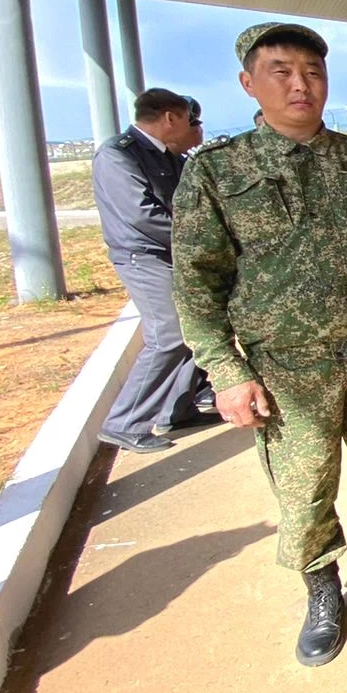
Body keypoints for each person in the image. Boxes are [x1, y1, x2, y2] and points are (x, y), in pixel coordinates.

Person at [172, 21, 347, 668]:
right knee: (304, 486)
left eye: (313, 71)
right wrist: (225, 371)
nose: (301, 84)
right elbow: (195, 282)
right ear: (249, 83)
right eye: (282, 71)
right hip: (290, 370)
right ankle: (322, 591)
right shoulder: (219, 171)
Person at [93, 88, 213, 453]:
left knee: (196, 329)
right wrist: (199, 241)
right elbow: (143, 215)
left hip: (173, 255)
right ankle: (125, 422)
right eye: (188, 120)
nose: (191, 128)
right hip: (145, 257)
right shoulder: (117, 156)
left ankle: (177, 410)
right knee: (169, 335)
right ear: (169, 118)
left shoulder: (167, 157)